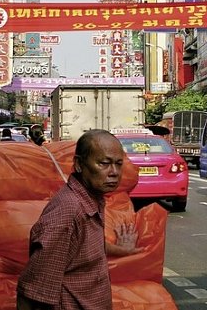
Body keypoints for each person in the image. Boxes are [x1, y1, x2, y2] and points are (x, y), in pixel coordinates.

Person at [16, 129, 125, 310]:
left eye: (118, 164)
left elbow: (83, 252)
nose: (114, 172)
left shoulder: (93, 200)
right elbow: (34, 292)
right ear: (79, 165)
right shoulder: (68, 212)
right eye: (104, 163)